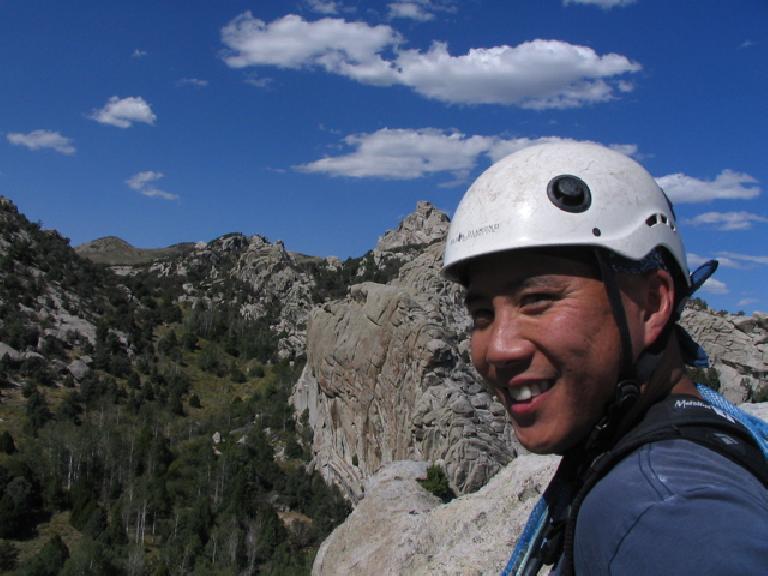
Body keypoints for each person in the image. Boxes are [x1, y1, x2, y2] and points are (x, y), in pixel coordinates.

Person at [442, 141, 768, 575]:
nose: (498, 348)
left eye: (538, 300)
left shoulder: (658, 510)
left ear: (652, 304)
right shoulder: (686, 444)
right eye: (482, 313)